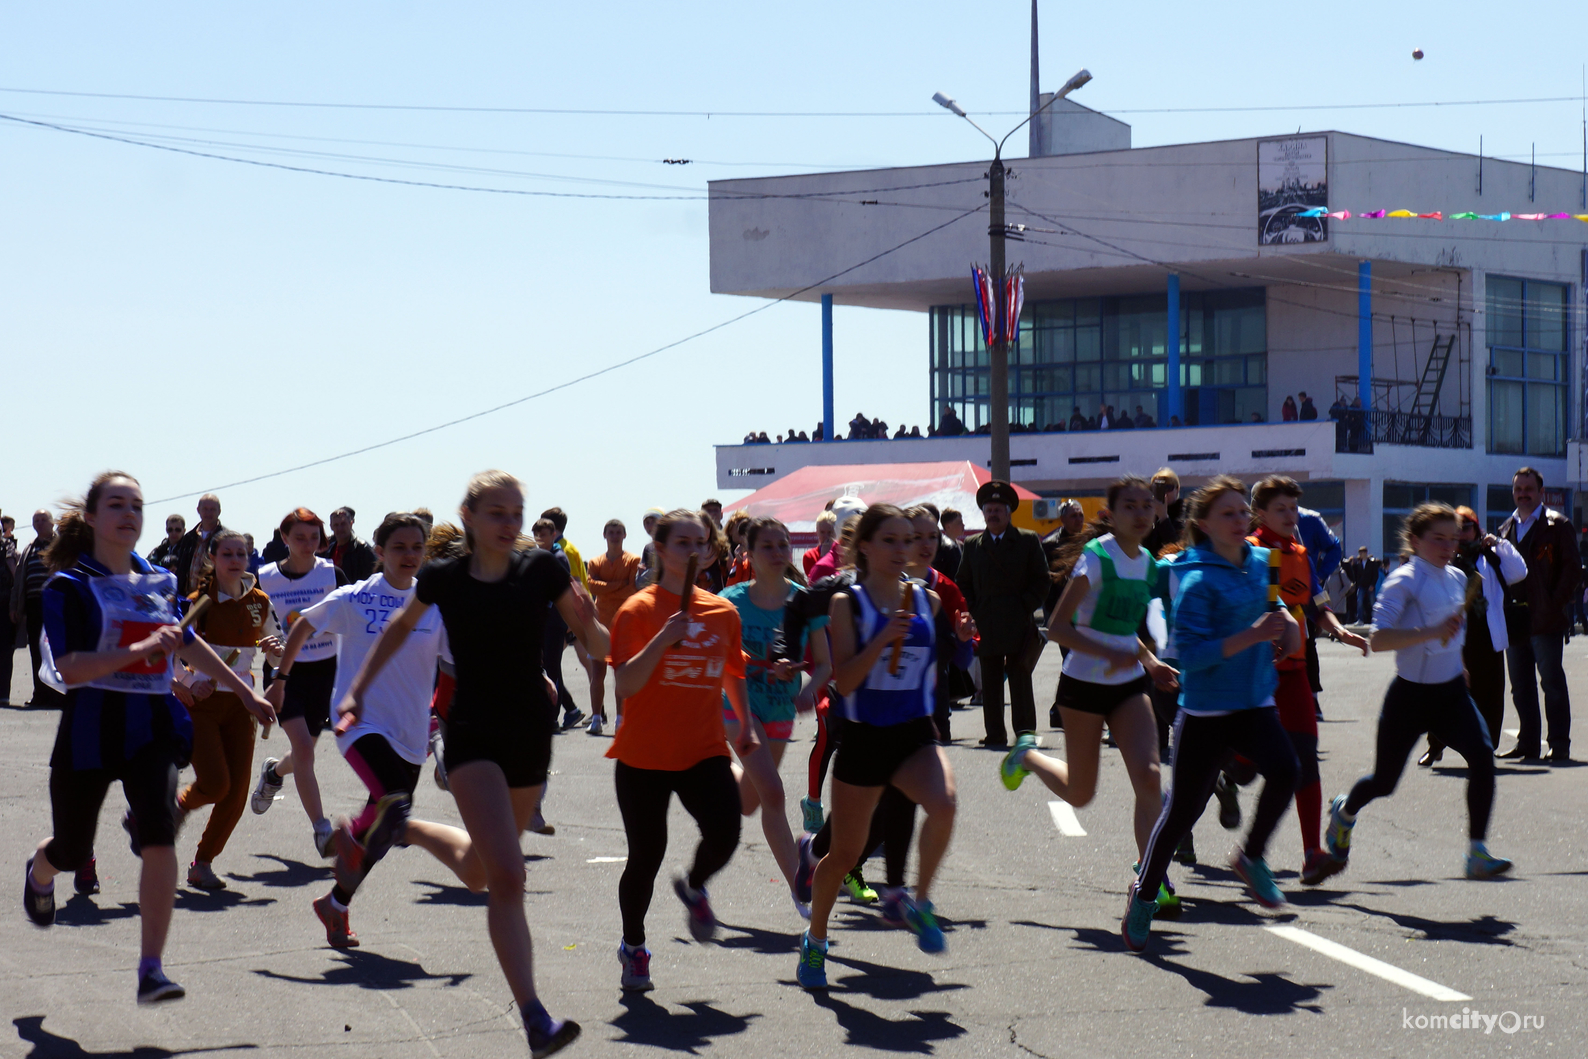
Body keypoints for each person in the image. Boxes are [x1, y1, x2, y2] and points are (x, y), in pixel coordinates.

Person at [347, 470, 605, 1056]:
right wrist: (357, 690)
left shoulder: (542, 569)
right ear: (468, 514)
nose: (510, 523)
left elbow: (600, 645)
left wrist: (598, 625)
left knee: (481, 870)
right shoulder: (443, 578)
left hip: (530, 735)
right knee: (509, 876)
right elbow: (398, 628)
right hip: (472, 734)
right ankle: (535, 1018)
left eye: (517, 513)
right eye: (497, 513)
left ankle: (403, 825)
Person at [22, 471, 275, 1003]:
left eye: (137, 504)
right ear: (91, 518)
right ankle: (40, 871)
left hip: (151, 729)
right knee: (71, 849)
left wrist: (245, 691)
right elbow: (66, 669)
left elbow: (186, 643)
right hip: (89, 731)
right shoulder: (68, 586)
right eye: (116, 504)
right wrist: (141, 650)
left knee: (159, 834)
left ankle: (152, 969)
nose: (129, 513)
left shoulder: (157, 580)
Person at [296, 513, 498, 950]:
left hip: (409, 733)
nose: (409, 555)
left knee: (383, 830)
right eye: (399, 547)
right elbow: (302, 624)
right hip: (358, 721)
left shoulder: (434, 609)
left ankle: (336, 903)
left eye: (416, 548)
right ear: (381, 552)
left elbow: (463, 661)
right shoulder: (354, 598)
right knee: (393, 804)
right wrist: (278, 677)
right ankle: (350, 838)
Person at [1121, 476, 1302, 953]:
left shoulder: (1265, 561)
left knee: (1287, 770)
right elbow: (1193, 656)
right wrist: (1254, 635)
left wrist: (1288, 632)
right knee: (1183, 811)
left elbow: (1275, 610)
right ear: (1204, 524)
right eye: (1228, 514)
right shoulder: (1195, 578)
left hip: (1256, 701)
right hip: (1205, 709)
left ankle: (1252, 856)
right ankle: (1144, 893)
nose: (1240, 520)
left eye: (1244, 512)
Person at [796, 505, 958, 989]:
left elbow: (936, 661)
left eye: (906, 540)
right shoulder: (849, 604)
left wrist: (964, 638)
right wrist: (885, 638)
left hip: (913, 731)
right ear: (864, 546)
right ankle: (816, 941)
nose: (900, 550)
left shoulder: (927, 601)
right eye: (889, 540)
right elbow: (844, 679)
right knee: (843, 856)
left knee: (945, 805)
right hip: (865, 736)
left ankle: (919, 903)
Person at [1001, 478, 1180, 910]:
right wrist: (1111, 652)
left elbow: (1125, 630)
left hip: (1128, 685)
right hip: (1082, 684)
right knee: (1081, 793)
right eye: (1130, 506)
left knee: (1150, 777)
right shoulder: (1096, 560)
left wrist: (1149, 661)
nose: (1141, 513)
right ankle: (1026, 756)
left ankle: (1151, 875)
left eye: (1146, 505)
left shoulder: (1149, 566)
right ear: (1111, 516)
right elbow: (1058, 627)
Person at [1325, 503, 1513, 881]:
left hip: (1450, 695)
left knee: (1482, 757)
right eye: (1437, 538)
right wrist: (1431, 633)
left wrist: (1458, 664)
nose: (1447, 546)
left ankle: (1477, 852)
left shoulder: (1458, 578)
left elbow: (1453, 631)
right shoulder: (1403, 580)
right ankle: (1344, 813)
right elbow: (1377, 639)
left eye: (1453, 538)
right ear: (1415, 540)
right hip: (1409, 698)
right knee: (1384, 782)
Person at [607, 509, 751, 992]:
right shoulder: (637, 610)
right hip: (644, 754)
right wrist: (664, 639)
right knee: (646, 856)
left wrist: (745, 725)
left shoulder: (721, 612)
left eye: (701, 543)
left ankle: (694, 885)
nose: (693, 551)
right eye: (683, 542)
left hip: (703, 747)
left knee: (726, 830)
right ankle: (634, 947)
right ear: (661, 549)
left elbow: (732, 672)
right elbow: (624, 682)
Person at [1243, 477, 1367, 886]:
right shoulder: (1247, 553)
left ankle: (1312, 853)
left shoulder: (1300, 554)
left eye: (1294, 510)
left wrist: (1339, 630)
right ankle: (1224, 781)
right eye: (1281, 509)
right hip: (1250, 674)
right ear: (1260, 513)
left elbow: (1316, 604)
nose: (1290, 517)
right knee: (1242, 765)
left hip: (1293, 673)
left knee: (1304, 760)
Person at [721, 517, 829, 918]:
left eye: (783, 544)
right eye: (767, 546)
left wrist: (805, 690)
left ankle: (717, 772)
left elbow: (824, 664)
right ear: (748, 552)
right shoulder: (729, 600)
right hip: (738, 707)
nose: (778, 552)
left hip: (781, 707)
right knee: (775, 793)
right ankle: (801, 888)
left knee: (752, 802)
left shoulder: (805, 600)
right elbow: (717, 656)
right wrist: (758, 666)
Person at [172, 529, 284, 891]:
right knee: (217, 783)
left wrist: (275, 650)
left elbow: (273, 649)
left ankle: (202, 863)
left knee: (236, 793)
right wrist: (189, 684)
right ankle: (172, 808)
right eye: (228, 554)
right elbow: (171, 653)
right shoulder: (200, 601)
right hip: (202, 703)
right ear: (214, 560)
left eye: (241, 554)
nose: (235, 560)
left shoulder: (261, 601)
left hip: (241, 704)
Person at [252, 507, 350, 858]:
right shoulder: (264, 579)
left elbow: (350, 620)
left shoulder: (332, 574)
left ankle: (274, 772)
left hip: (325, 672)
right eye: (299, 538)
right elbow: (254, 625)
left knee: (301, 754)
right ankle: (322, 830)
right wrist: (266, 642)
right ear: (285, 539)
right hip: (285, 674)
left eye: (313, 538)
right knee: (306, 753)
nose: (308, 544)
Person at [1419, 507, 1525, 766]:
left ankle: (1484, 748)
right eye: (1457, 528)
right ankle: (1436, 745)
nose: (1461, 533)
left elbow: (1520, 571)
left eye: (1467, 526)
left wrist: (1498, 542)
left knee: (1489, 695)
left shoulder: (1491, 557)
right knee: (1444, 691)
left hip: (1487, 635)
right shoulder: (1445, 558)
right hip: (1454, 636)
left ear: (1477, 529)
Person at [956, 480, 1049, 748]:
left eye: (998, 509)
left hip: (1018, 622)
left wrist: (1025, 605)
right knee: (991, 682)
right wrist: (974, 609)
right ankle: (995, 734)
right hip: (986, 623)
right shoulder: (973, 544)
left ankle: (1025, 734)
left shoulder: (1027, 540)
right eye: (988, 510)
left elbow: (1041, 580)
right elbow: (963, 581)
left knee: (1020, 679)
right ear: (983, 514)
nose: (993, 514)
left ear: (1009, 513)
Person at [1496, 467, 1579, 762]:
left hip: (1546, 619)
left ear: (1541, 492)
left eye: (1529, 489)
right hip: (1515, 620)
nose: (1523, 494)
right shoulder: (1505, 528)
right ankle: (1527, 743)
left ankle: (1559, 743)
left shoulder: (1558, 525)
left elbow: (1572, 570)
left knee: (1551, 682)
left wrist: (1555, 604)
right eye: (1518, 489)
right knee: (1520, 686)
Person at [585, 519, 641, 734]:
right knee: (597, 674)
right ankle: (597, 718)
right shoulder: (596, 561)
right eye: (611, 532)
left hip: (625, 624)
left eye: (618, 532)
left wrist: (607, 587)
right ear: (604, 534)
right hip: (601, 623)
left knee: (621, 674)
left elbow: (632, 589)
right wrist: (618, 585)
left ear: (625, 535)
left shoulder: (633, 560)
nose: (615, 536)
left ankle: (620, 719)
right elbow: (592, 586)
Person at [532, 519, 583, 732]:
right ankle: (568, 710)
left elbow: (560, 592)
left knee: (552, 668)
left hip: (555, 621)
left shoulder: (558, 557)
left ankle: (552, 718)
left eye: (544, 535)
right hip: (544, 621)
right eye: (537, 535)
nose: (540, 539)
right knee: (548, 667)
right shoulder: (541, 557)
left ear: (553, 535)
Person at [11, 509, 63, 708]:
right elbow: (19, 580)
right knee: (37, 650)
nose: (40, 523)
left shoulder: (61, 547)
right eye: (36, 520)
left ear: (52, 523)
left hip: (57, 605)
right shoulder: (28, 549)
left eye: (43, 520)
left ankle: (58, 695)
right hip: (33, 606)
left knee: (56, 650)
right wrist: (15, 606)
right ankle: (40, 694)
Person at [171, 494, 226, 596]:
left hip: (212, 597)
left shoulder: (225, 539)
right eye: (205, 509)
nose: (208, 513)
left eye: (212, 509)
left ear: (219, 511)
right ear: (198, 510)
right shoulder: (188, 538)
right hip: (187, 597)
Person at [325, 507, 377, 582]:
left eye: (343, 524)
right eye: (336, 525)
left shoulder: (363, 549)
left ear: (351, 523)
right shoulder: (328, 550)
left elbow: (372, 579)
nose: (340, 528)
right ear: (331, 526)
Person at [1142, 468, 1184, 558]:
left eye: (1168, 488)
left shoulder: (1183, 514)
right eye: (1158, 489)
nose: (1165, 493)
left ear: (1177, 490)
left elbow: (1178, 547)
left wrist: (1163, 517)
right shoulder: (1149, 513)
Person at [1, 514, 16, 702]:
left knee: (4, 651)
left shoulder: (7, 547)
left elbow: (15, 574)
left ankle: (3, 693)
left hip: (4, 605)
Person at [803, 510, 837, 577]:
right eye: (822, 532)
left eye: (829, 532)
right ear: (817, 532)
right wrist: (824, 558)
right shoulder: (810, 556)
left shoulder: (842, 553)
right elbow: (814, 580)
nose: (826, 536)